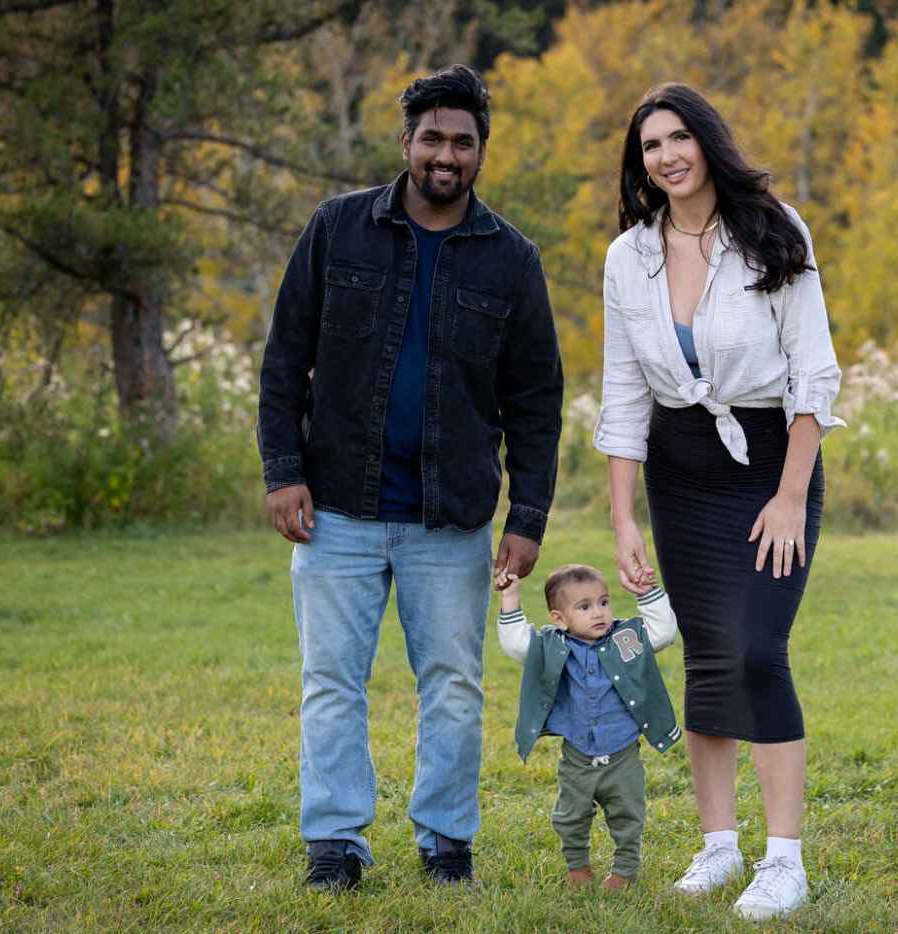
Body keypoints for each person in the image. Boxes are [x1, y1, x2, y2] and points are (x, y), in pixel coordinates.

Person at [256, 64, 563, 892]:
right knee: (331, 683)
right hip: (337, 509)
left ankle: (446, 842)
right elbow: (286, 359)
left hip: (451, 517)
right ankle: (334, 844)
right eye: (432, 137)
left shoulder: (512, 261)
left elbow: (536, 400)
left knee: (455, 687)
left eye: (463, 142)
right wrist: (283, 470)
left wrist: (527, 516)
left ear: (481, 152)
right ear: (406, 143)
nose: (446, 154)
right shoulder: (337, 229)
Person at [593, 83, 845, 921]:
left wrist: (789, 494)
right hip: (681, 468)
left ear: (707, 141)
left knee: (756, 650)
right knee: (705, 652)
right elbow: (624, 392)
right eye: (650, 146)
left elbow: (814, 372)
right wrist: (625, 516)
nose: (666, 156)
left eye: (678, 138)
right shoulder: (629, 256)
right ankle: (718, 846)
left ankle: (785, 860)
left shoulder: (775, 230)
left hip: (773, 458)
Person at [494, 563, 679, 890]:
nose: (599, 613)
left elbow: (663, 633)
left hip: (623, 756)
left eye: (604, 602)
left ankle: (624, 871)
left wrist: (647, 593)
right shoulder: (552, 647)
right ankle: (578, 867)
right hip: (577, 758)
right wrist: (510, 596)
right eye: (584, 607)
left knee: (628, 816)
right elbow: (516, 644)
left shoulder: (625, 639)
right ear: (559, 618)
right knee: (570, 816)